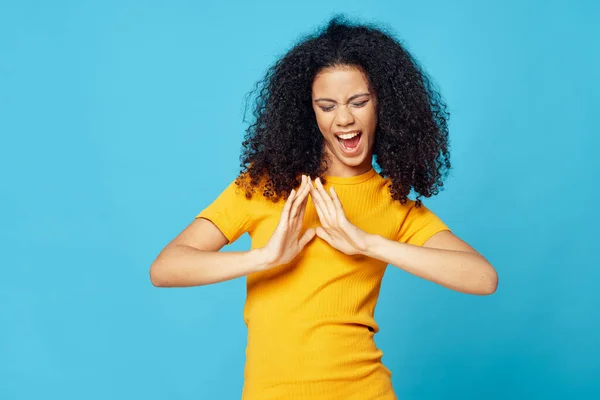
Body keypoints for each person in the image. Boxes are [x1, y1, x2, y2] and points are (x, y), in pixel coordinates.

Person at [150, 15, 498, 400]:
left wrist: (368, 243)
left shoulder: (393, 201)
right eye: (327, 105)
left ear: (384, 105)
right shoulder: (268, 185)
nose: (344, 118)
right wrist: (265, 258)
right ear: (309, 113)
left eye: (359, 102)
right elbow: (166, 268)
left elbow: (482, 278)